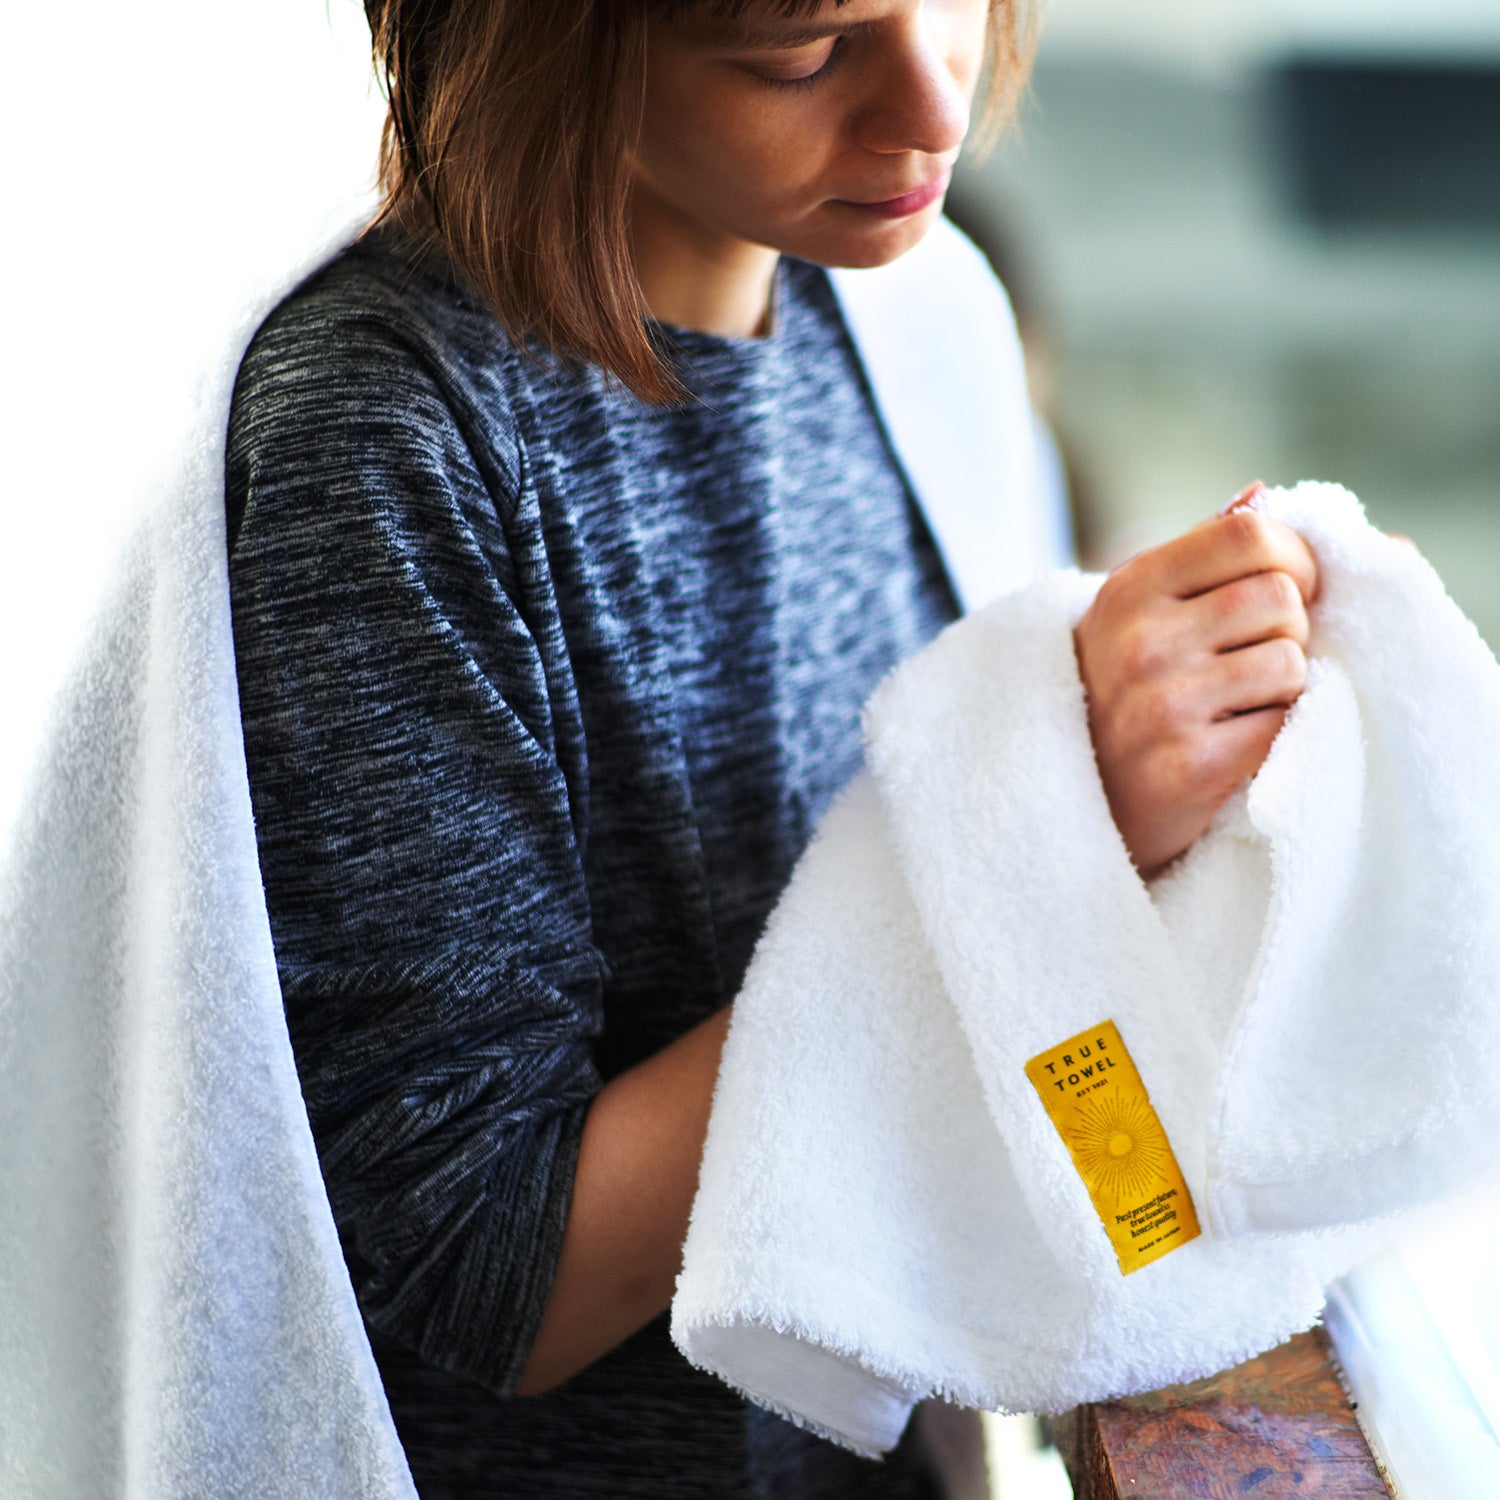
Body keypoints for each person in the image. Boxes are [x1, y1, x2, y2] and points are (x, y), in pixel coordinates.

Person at [225, 0, 1318, 1494]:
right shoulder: (388, 438)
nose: (936, 112)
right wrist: (1046, 829)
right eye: (802, 52)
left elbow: (1025, 1022)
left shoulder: (922, 312)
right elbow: (488, 1270)